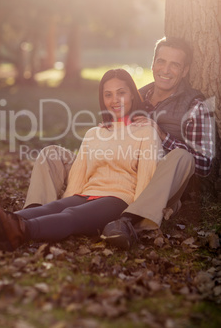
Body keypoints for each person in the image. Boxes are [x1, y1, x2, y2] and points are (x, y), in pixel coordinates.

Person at [21, 36, 215, 250]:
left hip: (157, 181)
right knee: (51, 154)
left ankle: (130, 219)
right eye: (161, 61)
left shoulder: (196, 104)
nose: (165, 69)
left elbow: (204, 164)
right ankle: (38, 211)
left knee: (182, 156)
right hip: (118, 170)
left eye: (174, 64)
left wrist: (161, 135)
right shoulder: (137, 93)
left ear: (185, 70)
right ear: (153, 63)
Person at [0, 69, 163, 251]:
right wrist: (68, 199)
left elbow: (148, 175)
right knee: (51, 208)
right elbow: (78, 174)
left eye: (121, 92)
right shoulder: (95, 133)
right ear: (102, 99)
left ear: (132, 95)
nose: (115, 99)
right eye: (108, 94)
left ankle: (19, 231)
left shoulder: (145, 130)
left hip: (118, 199)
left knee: (71, 216)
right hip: (88, 193)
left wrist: (133, 217)